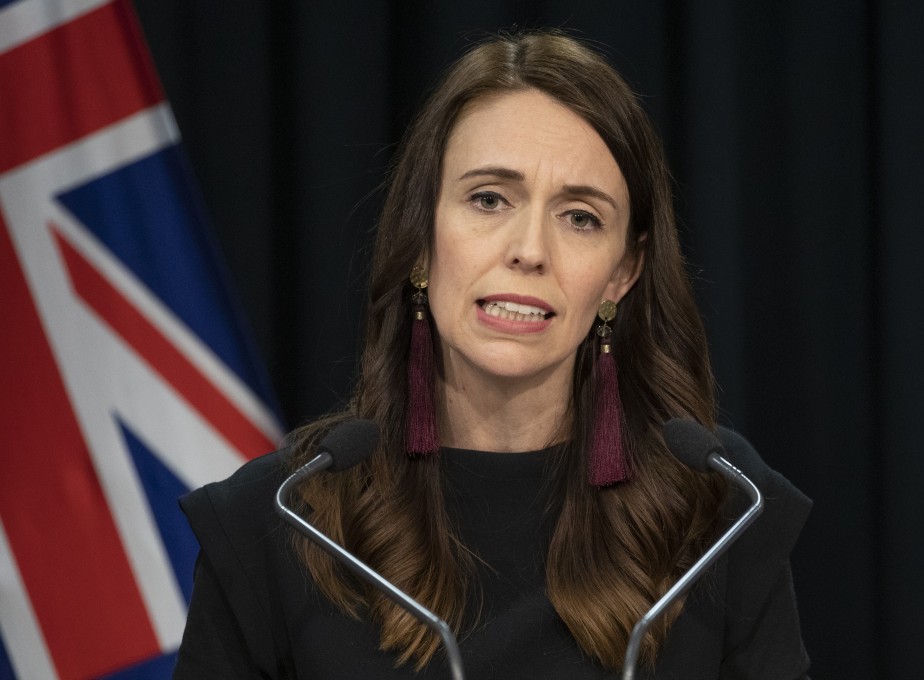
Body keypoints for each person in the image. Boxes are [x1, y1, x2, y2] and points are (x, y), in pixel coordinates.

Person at [173, 30, 811, 680]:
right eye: (489, 199)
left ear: (623, 273)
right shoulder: (276, 521)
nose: (529, 249)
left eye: (580, 216)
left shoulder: (721, 511)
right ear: (420, 240)